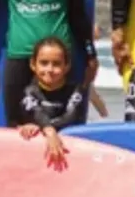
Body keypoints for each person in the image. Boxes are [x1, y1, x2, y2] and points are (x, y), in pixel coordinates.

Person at [17, 36, 90, 167]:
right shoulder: (28, 91)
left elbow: (70, 119)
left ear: (67, 66)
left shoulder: (76, 91)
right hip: (34, 159)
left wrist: (43, 128)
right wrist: (46, 130)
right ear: (33, 64)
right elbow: (35, 112)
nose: (49, 69)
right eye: (44, 63)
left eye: (56, 64)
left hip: (70, 154)